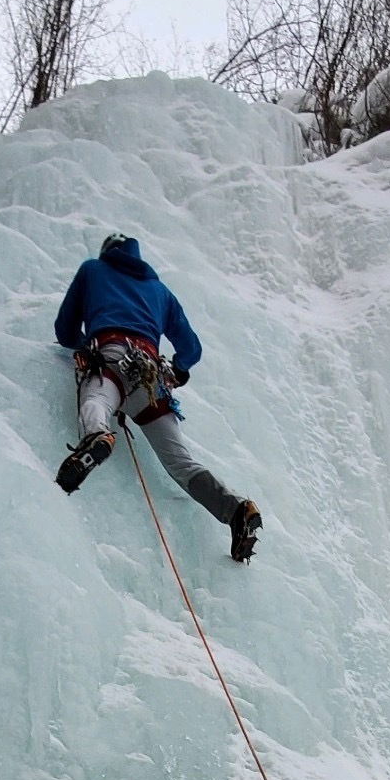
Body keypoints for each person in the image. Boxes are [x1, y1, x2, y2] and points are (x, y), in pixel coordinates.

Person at [53, 234, 262, 563]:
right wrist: (177, 371)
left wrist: (85, 344)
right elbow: (191, 349)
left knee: (98, 398)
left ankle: (96, 435)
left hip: (110, 353)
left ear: (107, 252)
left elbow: (64, 331)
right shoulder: (161, 291)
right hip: (152, 378)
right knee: (180, 463)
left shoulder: (93, 270)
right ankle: (236, 510)